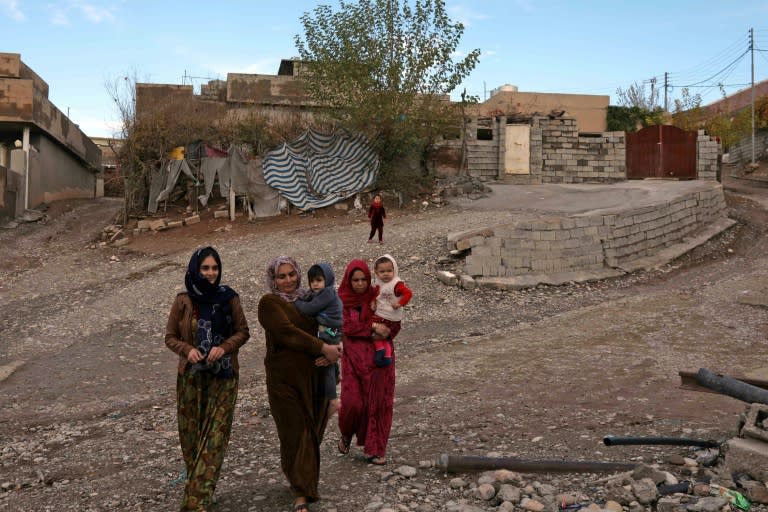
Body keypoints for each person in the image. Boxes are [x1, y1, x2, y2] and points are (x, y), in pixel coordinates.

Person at [165, 246, 250, 511]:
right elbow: (170, 337)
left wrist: (224, 348)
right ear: (195, 269)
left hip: (223, 376)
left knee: (215, 437)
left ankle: (196, 501)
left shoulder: (229, 298)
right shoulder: (183, 300)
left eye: (214, 268)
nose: (211, 273)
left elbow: (243, 332)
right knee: (191, 438)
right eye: (205, 268)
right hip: (191, 377)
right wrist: (187, 350)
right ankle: (200, 487)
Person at [258, 256, 343, 511]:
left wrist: (336, 349)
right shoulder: (269, 303)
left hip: (314, 377)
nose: (288, 280)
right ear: (273, 279)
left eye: (291, 274)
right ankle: (303, 494)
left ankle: (298, 477)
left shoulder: (310, 298)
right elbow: (286, 332)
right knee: (296, 432)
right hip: (283, 381)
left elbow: (333, 324)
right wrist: (323, 347)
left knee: (312, 431)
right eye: (281, 276)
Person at [337, 259, 394, 465]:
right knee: (353, 404)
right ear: (348, 280)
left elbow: (393, 320)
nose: (360, 284)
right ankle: (346, 432)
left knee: (378, 405)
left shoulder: (377, 297)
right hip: (352, 360)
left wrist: (386, 329)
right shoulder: (341, 301)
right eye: (355, 280)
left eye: (363, 280)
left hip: (378, 361)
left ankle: (374, 449)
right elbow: (347, 326)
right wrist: (372, 328)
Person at [294, 262, 343, 418]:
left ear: (327, 280)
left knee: (325, 361)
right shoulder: (324, 293)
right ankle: (337, 374)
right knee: (330, 361)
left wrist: (296, 302)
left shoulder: (327, 293)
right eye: (312, 281)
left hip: (329, 331)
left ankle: (333, 401)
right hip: (332, 330)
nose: (315, 284)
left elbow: (310, 309)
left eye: (319, 280)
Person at [370, 254, 413, 367]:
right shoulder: (378, 283)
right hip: (384, 315)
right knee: (386, 338)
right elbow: (376, 295)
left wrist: (399, 303)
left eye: (389, 270)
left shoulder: (396, 284)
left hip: (388, 317)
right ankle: (387, 355)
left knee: (373, 332)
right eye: (382, 271)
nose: (386, 274)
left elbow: (408, 293)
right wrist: (373, 302)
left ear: (395, 270)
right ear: (376, 272)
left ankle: (380, 350)